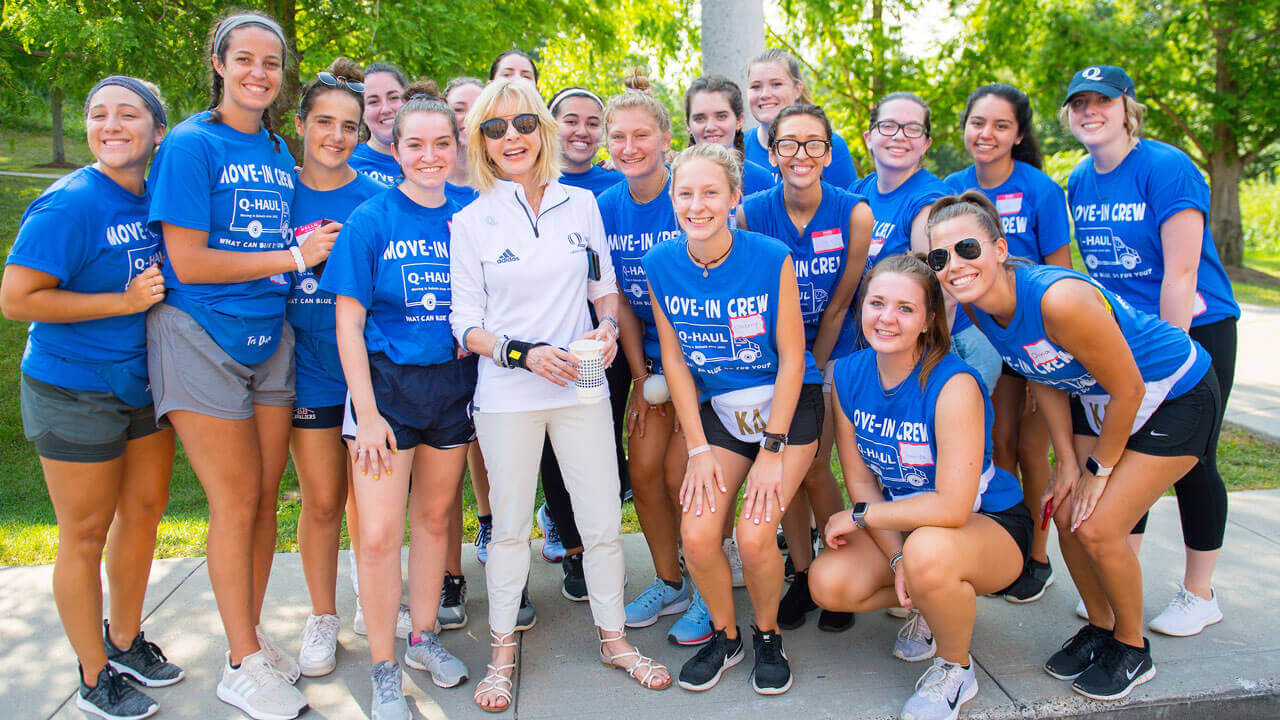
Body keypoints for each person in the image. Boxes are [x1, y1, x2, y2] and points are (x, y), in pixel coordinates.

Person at [928, 190, 1221, 701]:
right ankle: (1102, 629)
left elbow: (1130, 387)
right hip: (1104, 395)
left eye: (967, 249)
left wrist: (1097, 468)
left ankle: (1132, 648)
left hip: (1176, 390)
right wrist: (1066, 463)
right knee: (1064, 511)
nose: (954, 265)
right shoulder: (978, 308)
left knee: (1103, 527)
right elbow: (1037, 370)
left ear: (1000, 249)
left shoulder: (1058, 298)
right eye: (940, 257)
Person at [450, 77, 670, 713]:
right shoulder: (470, 219)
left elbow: (602, 285)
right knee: (512, 527)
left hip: (582, 384)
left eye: (522, 124)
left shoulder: (581, 205)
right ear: (481, 142)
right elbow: (464, 324)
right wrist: (522, 352)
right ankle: (501, 655)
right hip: (508, 393)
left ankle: (615, 640)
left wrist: (604, 329)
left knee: (602, 518)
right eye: (495, 129)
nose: (511, 137)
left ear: (541, 130)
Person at [144, 12, 311, 719]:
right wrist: (297, 258)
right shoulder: (189, 144)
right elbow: (189, 261)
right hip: (198, 335)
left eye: (270, 63)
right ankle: (239, 660)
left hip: (267, 333)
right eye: (244, 59)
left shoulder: (277, 147)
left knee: (266, 497)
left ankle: (251, 633)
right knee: (235, 499)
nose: (258, 74)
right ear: (217, 62)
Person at [1, 75, 181, 720]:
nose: (110, 124)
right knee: (83, 532)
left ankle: (126, 641)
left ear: (157, 131)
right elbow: (17, 298)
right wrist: (121, 302)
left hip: (143, 383)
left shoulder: (157, 196)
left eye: (128, 114)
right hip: (73, 386)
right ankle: (91, 674)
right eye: (97, 113)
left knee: (145, 510)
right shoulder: (70, 204)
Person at [808, 252, 1028, 720]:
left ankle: (955, 668)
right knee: (827, 583)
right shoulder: (848, 374)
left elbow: (952, 506)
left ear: (930, 320)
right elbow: (863, 481)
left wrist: (862, 518)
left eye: (905, 309)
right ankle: (932, 598)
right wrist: (896, 557)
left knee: (929, 550)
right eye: (877, 303)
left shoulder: (954, 383)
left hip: (986, 522)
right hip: (910, 526)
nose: (887, 318)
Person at [1062, 65, 1240, 636]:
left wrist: (1173, 361)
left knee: (1192, 459)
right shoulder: (1080, 178)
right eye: (1080, 103)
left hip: (1191, 331)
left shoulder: (1166, 167)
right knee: (1126, 455)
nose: (1091, 111)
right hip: (1126, 337)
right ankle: (1124, 575)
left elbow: (1181, 274)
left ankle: (1199, 593)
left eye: (1103, 101)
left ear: (1127, 107)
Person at [645, 142, 825, 695]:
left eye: (710, 193)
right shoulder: (660, 263)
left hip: (786, 410)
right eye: (685, 193)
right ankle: (727, 637)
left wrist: (772, 451)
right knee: (698, 535)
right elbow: (673, 359)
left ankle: (767, 635)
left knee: (752, 535)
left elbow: (794, 357)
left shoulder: (770, 256)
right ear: (672, 198)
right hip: (723, 412)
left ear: (733, 198)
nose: (696, 205)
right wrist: (698, 448)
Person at [321, 96, 473, 720]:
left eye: (442, 143)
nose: (430, 156)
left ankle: (424, 637)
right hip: (385, 394)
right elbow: (348, 324)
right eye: (416, 144)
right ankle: (383, 669)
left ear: (456, 146)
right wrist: (368, 413)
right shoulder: (371, 220)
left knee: (437, 519)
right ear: (396, 148)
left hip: (452, 390)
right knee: (381, 535)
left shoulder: (473, 213)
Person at [737, 103, 873, 632]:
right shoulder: (751, 212)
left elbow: (841, 303)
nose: (801, 154)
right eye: (788, 143)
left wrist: (812, 369)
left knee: (826, 466)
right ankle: (801, 570)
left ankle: (841, 569)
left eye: (814, 143)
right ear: (771, 154)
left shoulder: (853, 212)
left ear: (829, 152)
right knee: (790, 469)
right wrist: (791, 370)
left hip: (834, 350)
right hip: (777, 356)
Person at [945, 83, 1072, 603]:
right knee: (996, 447)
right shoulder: (950, 185)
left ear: (1019, 134)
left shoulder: (1040, 189)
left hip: (1037, 343)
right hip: (980, 341)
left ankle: (1037, 557)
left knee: (1029, 447)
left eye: (1001, 125)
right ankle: (1003, 546)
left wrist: (1053, 370)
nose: (987, 134)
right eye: (979, 122)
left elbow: (1061, 273)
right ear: (965, 128)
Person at [285, 59, 385, 679]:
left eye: (349, 125)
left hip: (369, 370)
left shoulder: (375, 199)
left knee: (375, 507)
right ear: (301, 124)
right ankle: (323, 614)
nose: (337, 135)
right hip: (306, 366)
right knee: (323, 500)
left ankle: (379, 600)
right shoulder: (276, 191)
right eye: (324, 121)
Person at [593, 80, 694, 639]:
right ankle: (669, 579)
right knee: (644, 470)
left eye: (642, 135)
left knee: (685, 475)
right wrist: (637, 376)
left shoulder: (687, 194)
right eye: (619, 137)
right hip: (650, 364)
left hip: (702, 362)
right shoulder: (605, 206)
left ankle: (705, 586)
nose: (629, 147)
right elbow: (622, 302)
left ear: (665, 139)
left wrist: (680, 380)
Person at [854, 92, 1001, 392]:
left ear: (926, 143)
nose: (899, 136)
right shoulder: (861, 189)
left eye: (912, 129)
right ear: (869, 137)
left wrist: (922, 363)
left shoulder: (927, 202)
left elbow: (939, 292)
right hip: (900, 335)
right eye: (888, 126)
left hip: (946, 342)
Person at [744, 49, 857, 189]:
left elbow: (849, 207)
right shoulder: (737, 147)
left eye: (776, 84)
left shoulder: (831, 146)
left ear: (797, 89)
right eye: (755, 86)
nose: (765, 94)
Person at [684, 74, 777, 196]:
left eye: (721, 116)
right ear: (688, 125)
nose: (710, 127)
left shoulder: (761, 180)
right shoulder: (675, 179)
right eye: (700, 118)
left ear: (739, 120)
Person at [551, 85, 626, 196]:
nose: (582, 132)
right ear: (551, 125)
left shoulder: (621, 185)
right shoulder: (530, 184)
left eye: (592, 124)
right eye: (571, 121)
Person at [349, 62, 407, 185]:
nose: (386, 109)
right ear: (361, 113)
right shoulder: (346, 163)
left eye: (394, 97)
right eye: (373, 101)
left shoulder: (431, 160)